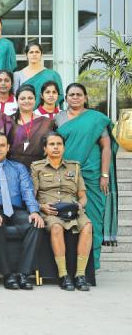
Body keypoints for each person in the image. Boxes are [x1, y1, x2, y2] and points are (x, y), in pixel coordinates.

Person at [54, 83, 118, 266]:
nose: (75, 97)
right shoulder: (59, 118)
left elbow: (106, 147)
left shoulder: (96, 119)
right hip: (67, 174)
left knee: (93, 218)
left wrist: (104, 175)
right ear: (66, 98)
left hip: (93, 173)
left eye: (79, 94)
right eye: (71, 94)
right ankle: (72, 263)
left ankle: (93, 263)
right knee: (67, 218)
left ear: (85, 97)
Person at [0, 133, 44, 290]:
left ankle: (23, 274)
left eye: (2, 145)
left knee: (36, 224)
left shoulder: (19, 168)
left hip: (17, 210)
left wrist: (34, 211)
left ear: (8, 147)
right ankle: (7, 275)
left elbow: (27, 191)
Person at [31, 132, 93, 291]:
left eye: (59, 144)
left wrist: (80, 205)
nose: (56, 147)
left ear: (64, 147)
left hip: (73, 210)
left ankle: (80, 275)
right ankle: (63, 275)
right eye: (52, 144)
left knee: (87, 226)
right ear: (45, 148)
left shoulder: (74, 167)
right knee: (56, 228)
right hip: (50, 211)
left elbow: (82, 196)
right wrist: (41, 207)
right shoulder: (37, 167)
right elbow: (31, 196)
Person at [9, 85, 55, 168]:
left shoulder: (47, 122)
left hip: (39, 168)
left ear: (35, 99)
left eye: (30, 98)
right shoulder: (8, 121)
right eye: (22, 98)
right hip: (12, 167)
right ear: (17, 100)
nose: (26, 101)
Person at [13, 43, 63, 107]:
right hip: (26, 113)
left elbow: (59, 96)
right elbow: (15, 97)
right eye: (31, 52)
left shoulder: (53, 75)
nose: (34, 54)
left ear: (41, 54)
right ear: (26, 55)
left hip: (47, 113)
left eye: (37, 52)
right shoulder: (18, 75)